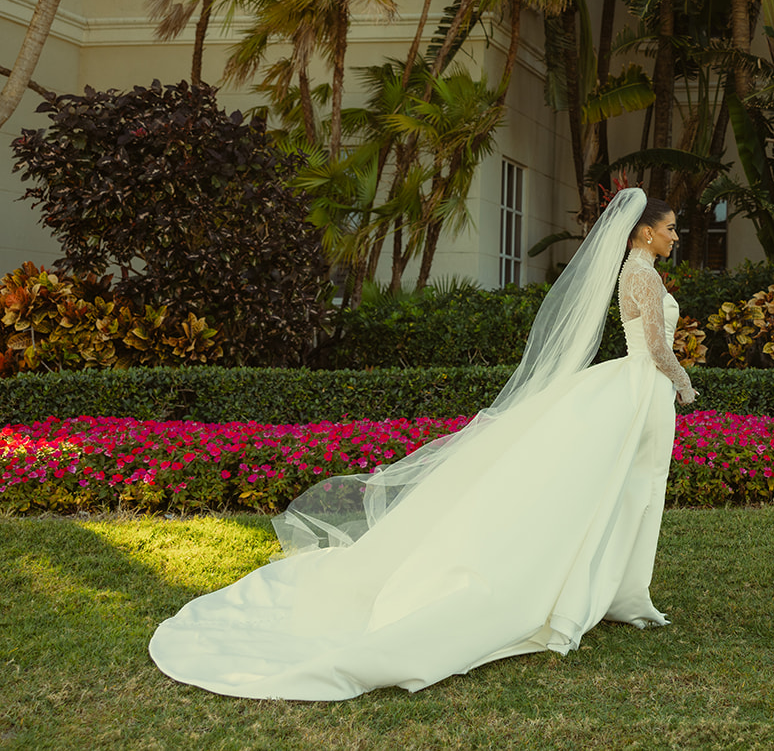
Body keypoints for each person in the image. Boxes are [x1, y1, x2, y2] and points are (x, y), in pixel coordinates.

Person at [148, 188, 698, 700]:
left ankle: (612, 589)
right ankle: (598, 590)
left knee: (623, 490)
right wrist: (684, 382)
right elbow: (653, 346)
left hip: (632, 388)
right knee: (622, 490)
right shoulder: (643, 276)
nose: (676, 236)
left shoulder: (637, 271)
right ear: (644, 233)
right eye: (670, 229)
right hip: (636, 386)